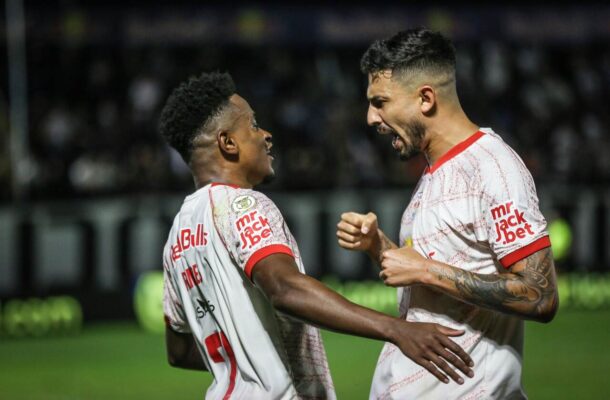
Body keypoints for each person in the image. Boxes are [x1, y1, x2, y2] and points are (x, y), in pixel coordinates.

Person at [159, 71, 474, 399]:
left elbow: (178, 352)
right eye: (253, 125)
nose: (266, 134)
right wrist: (396, 329)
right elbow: (284, 288)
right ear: (227, 142)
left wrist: (247, 355)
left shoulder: (177, 236)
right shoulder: (242, 205)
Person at [336, 28, 558, 399]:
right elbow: (427, 281)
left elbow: (541, 295)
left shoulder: (493, 169)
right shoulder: (436, 170)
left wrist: (425, 269)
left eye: (380, 102)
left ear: (425, 98)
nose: (371, 118)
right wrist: (378, 246)